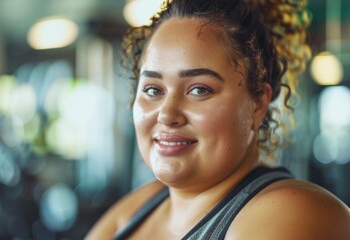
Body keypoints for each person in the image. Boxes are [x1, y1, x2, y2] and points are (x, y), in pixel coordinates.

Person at [86, 0, 350, 239]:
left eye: (199, 90)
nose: (167, 115)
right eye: (153, 90)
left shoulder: (294, 211)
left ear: (258, 103)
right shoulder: (138, 207)